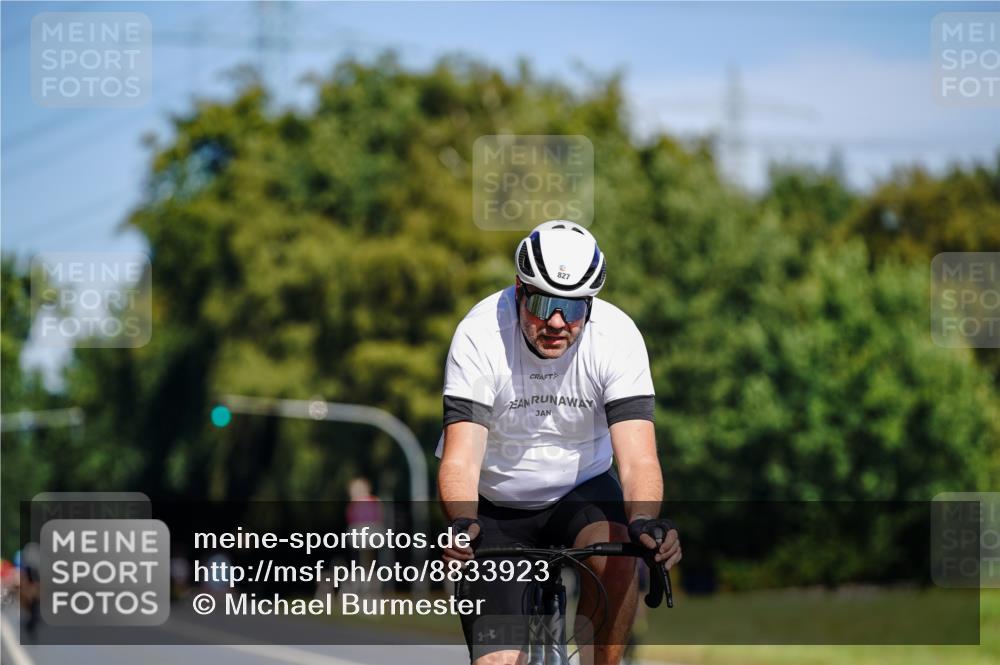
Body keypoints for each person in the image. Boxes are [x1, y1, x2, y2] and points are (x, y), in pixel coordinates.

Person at [436, 220, 681, 665]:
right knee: (498, 663)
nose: (555, 322)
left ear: (591, 303)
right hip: (494, 506)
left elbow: (639, 459)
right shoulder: (479, 336)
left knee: (623, 549)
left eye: (572, 309)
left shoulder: (617, 338)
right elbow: (460, 461)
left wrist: (646, 520)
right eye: (544, 303)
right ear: (518, 290)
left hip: (580, 489)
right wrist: (461, 521)